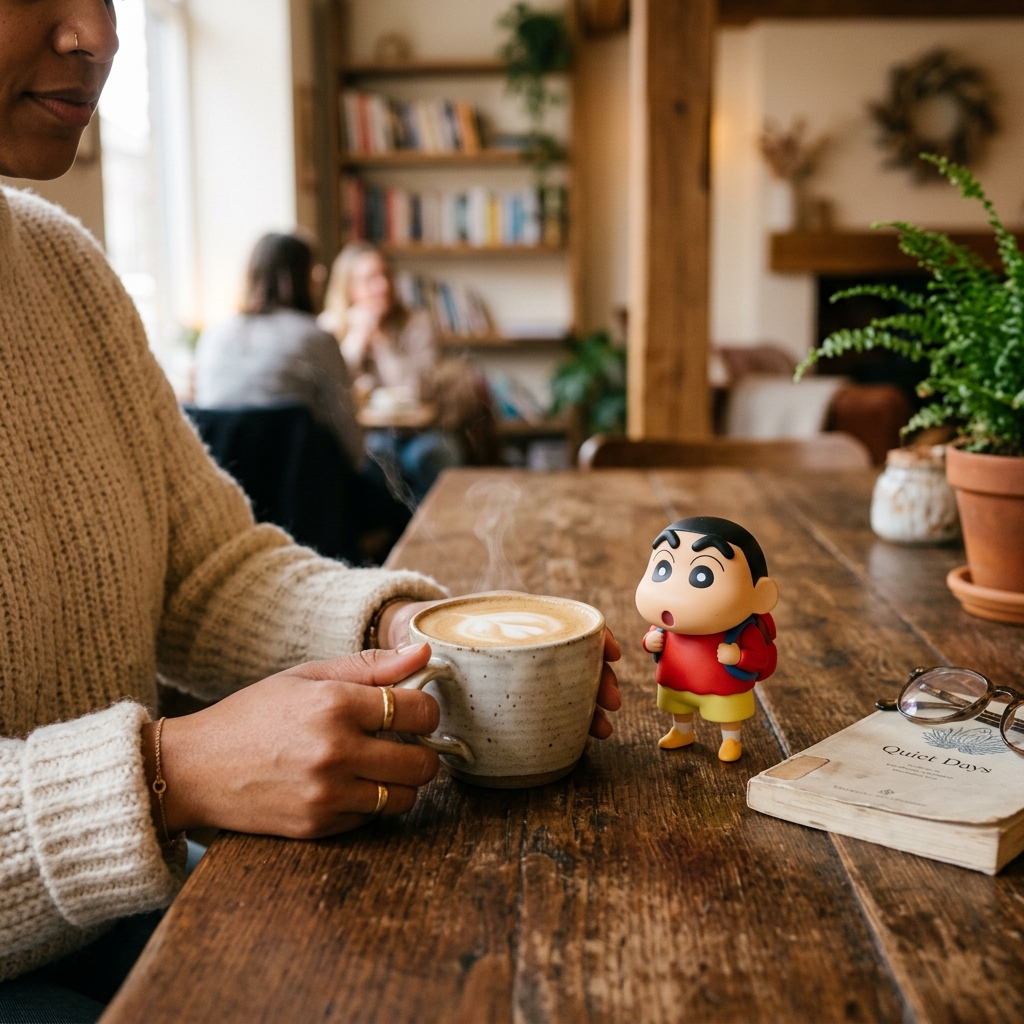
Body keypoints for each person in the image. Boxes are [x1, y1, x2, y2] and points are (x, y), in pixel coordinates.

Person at [0, 2, 622, 1019]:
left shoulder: (63, 267)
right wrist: (165, 775)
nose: (99, 34)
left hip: (129, 913)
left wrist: (400, 633)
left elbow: (204, 573)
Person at [192, 232, 409, 562]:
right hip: (306, 510)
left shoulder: (213, 336)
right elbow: (352, 451)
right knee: (398, 498)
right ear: (305, 277)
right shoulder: (315, 338)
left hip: (227, 507)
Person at [319, 242, 466, 501]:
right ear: (348, 288)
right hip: (366, 435)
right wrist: (355, 342)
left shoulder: (416, 323)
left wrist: (381, 342)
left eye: (385, 275)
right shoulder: (331, 326)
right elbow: (331, 392)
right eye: (369, 279)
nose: (382, 286)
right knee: (373, 457)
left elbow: (416, 391)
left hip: (421, 432)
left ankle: (426, 535)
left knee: (425, 456)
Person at [635, 517, 779, 763]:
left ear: (760, 595)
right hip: (676, 681)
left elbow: (758, 658)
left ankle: (731, 739)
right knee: (678, 708)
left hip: (722, 688)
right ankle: (682, 731)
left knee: (727, 712)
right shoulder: (667, 628)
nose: (673, 592)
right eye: (663, 569)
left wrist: (738, 656)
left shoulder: (743, 631)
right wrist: (650, 642)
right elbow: (651, 638)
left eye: (702, 575)